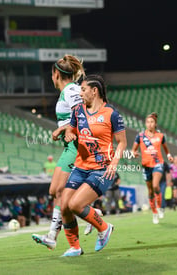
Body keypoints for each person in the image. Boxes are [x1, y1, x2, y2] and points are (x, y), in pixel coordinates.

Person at [60, 74, 127, 257]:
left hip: (102, 169)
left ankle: (104, 227)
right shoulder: (77, 111)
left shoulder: (111, 114)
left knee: (75, 204)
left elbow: (122, 143)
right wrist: (68, 134)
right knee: (64, 205)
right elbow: (71, 130)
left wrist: (114, 163)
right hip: (80, 167)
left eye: (83, 89)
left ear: (94, 91)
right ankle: (75, 247)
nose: (80, 93)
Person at [32, 54, 85, 250]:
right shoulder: (69, 91)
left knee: (60, 193)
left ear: (56, 74)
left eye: (52, 74)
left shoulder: (71, 90)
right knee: (55, 191)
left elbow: (83, 115)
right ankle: (53, 236)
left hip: (77, 145)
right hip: (70, 146)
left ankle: (90, 216)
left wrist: (64, 129)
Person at [132, 112, 173, 224]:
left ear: (155, 124)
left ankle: (159, 207)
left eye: (152, 122)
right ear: (145, 124)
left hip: (158, 163)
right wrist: (134, 153)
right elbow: (133, 150)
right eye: (148, 122)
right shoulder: (140, 136)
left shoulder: (160, 136)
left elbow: (166, 149)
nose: (149, 124)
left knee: (155, 185)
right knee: (150, 191)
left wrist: (169, 156)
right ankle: (154, 213)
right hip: (146, 166)